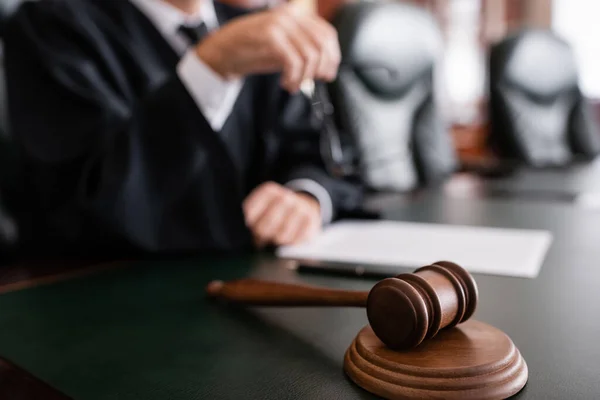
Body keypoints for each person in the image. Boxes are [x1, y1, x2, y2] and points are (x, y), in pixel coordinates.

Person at [3, 0, 362, 256]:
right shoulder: (51, 26)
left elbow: (328, 157)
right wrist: (212, 65)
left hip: (259, 290)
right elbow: (89, 211)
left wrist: (307, 197)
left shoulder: (255, 26)